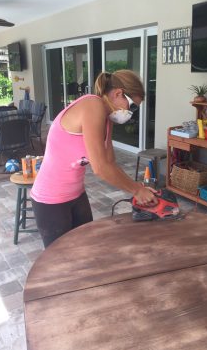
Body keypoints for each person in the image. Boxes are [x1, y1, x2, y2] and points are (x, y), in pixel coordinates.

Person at [30, 70, 158, 248]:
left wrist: (139, 188)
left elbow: (110, 162)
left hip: (76, 195)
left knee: (87, 251)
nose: (131, 112)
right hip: (50, 200)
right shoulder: (92, 105)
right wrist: (136, 190)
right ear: (118, 93)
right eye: (132, 106)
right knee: (62, 264)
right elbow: (100, 167)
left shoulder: (106, 117)